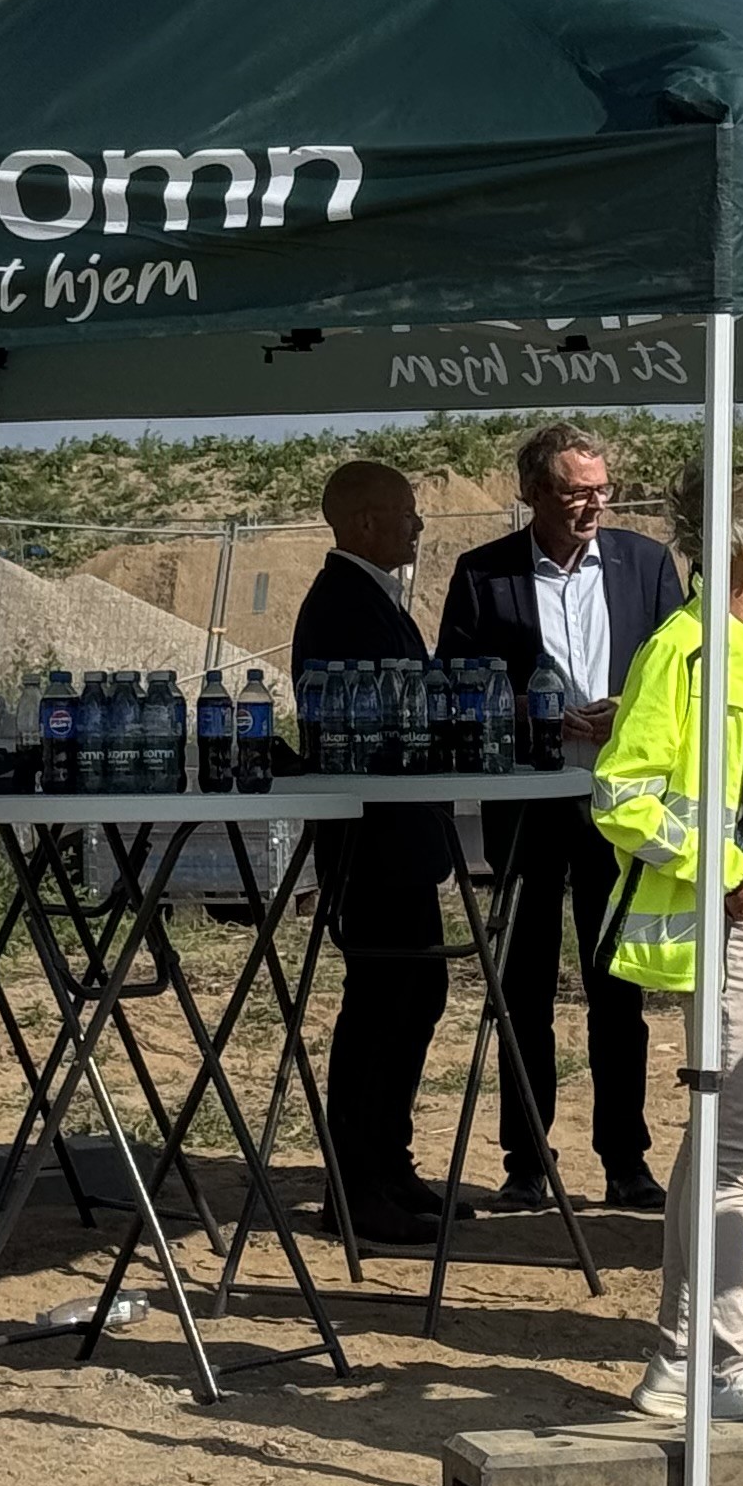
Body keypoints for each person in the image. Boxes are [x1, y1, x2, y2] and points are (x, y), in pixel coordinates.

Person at [592, 468, 743, 1421]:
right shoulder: (688, 652)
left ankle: (684, 1359)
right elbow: (621, 794)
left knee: (717, 1154)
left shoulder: (742, 649)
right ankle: (717, 1362)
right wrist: (725, 869)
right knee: (728, 1158)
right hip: (726, 929)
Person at [433, 422, 685, 1211]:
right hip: (526, 805)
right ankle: (526, 1160)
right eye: (576, 491)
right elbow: (454, 684)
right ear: (533, 492)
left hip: (621, 804)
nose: (593, 505)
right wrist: (531, 713)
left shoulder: (646, 565)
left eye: (601, 489)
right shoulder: (483, 575)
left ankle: (626, 1159)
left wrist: (635, 713)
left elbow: (685, 672)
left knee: (619, 987)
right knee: (525, 984)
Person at [290, 459, 460, 1244]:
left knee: (416, 995)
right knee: (380, 1005)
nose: (416, 527)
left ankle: (388, 1164)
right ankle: (357, 1187)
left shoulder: (372, 598)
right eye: (405, 513)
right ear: (363, 524)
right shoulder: (343, 605)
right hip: (373, 839)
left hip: (400, 833)